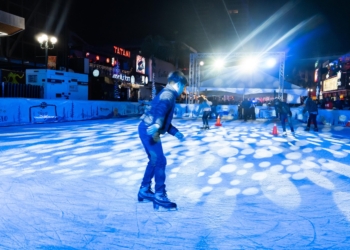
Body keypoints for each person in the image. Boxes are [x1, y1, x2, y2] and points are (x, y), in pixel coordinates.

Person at [137, 70, 188, 211]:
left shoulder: (166, 93)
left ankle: (144, 190)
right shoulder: (168, 95)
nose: (184, 90)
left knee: (155, 161)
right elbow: (160, 113)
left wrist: (175, 132)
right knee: (159, 161)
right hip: (150, 130)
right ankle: (159, 195)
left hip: (147, 128)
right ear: (177, 84)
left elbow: (163, 119)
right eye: (184, 87)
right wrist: (157, 124)